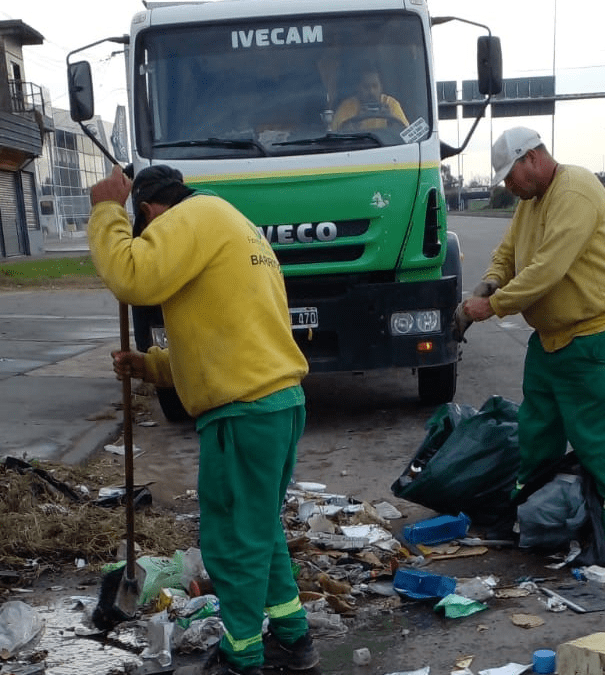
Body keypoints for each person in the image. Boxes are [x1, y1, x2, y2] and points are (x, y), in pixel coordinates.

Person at [87, 164, 319, 675]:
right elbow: (225, 341)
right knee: (260, 531)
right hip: (275, 403)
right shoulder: (228, 222)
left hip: (244, 413)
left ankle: (242, 653)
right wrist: (149, 367)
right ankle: (293, 636)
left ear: (150, 211)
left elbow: (131, 275)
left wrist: (107, 210)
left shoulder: (189, 218)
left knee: (232, 539)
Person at [454, 127, 605, 568]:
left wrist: (492, 306)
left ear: (532, 159)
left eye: (509, 175)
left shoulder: (575, 190)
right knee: (538, 429)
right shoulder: (531, 202)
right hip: (551, 339)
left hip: (593, 332)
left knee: (601, 435)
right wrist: (488, 282)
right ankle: (526, 518)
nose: (507, 185)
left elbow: (545, 271)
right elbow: (509, 254)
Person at [331, 60, 409, 131]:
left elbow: (406, 135)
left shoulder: (391, 104)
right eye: (366, 87)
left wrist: (391, 121)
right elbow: (337, 137)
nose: (371, 91)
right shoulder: (347, 107)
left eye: (375, 86)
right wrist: (356, 122)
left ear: (381, 87)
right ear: (357, 88)